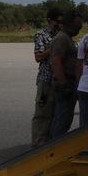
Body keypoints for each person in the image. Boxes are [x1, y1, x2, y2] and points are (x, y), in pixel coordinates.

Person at [48, 13, 83, 139]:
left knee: (64, 118)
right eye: (77, 25)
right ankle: (54, 147)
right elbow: (56, 62)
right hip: (66, 82)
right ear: (69, 24)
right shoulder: (62, 39)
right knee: (63, 119)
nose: (79, 28)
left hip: (69, 81)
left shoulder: (66, 38)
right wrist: (63, 84)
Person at [30, 8, 61, 147]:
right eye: (57, 22)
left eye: (61, 22)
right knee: (43, 114)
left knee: (56, 114)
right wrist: (53, 47)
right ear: (49, 21)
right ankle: (38, 144)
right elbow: (38, 57)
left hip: (59, 79)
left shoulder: (63, 35)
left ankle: (52, 143)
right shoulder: (41, 35)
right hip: (46, 79)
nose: (59, 25)